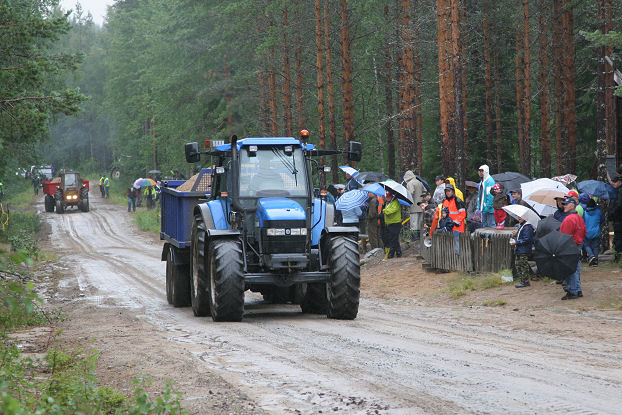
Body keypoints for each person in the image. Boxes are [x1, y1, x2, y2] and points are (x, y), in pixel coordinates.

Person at [559, 197, 587, 300]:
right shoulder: (579, 217)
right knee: (576, 268)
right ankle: (578, 290)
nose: (564, 206)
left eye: (566, 204)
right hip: (578, 245)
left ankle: (572, 291)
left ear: (573, 205)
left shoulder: (569, 219)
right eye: (564, 204)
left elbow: (563, 236)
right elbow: (584, 232)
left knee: (570, 269)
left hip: (569, 246)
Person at [510, 214, 535, 288]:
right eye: (519, 216)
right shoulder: (522, 225)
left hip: (524, 249)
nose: (519, 218)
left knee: (523, 265)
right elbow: (522, 236)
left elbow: (527, 239)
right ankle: (522, 280)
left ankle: (525, 281)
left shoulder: (527, 227)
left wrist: (516, 242)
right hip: (520, 249)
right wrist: (516, 234)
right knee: (518, 265)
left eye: (521, 216)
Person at [404, 170, 425, 241]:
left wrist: (406, 200)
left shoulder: (410, 183)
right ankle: (420, 238)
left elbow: (410, 193)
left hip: (413, 207)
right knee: (420, 223)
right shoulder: (419, 182)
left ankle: (414, 239)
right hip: (421, 206)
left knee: (414, 223)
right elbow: (424, 191)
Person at [583, 197, 604, 266]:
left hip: (587, 232)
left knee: (586, 245)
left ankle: (591, 256)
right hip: (596, 232)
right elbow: (602, 220)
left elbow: (583, 222)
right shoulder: (598, 211)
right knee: (595, 247)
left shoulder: (585, 212)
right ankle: (596, 261)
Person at [382, 191, 402, 258]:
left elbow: (392, 211)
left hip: (395, 223)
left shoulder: (395, 202)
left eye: (388, 196)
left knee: (393, 239)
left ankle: (391, 254)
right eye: (386, 197)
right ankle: (398, 252)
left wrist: (384, 210)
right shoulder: (388, 203)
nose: (387, 198)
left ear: (392, 196)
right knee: (394, 239)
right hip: (389, 223)